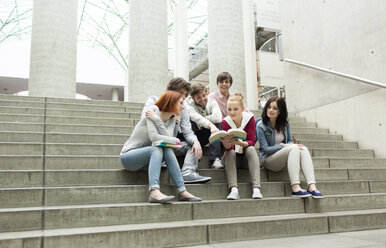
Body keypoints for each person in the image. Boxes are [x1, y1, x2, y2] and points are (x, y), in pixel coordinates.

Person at [120, 90, 201, 203]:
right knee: (157, 148)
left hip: (148, 161)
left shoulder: (171, 119)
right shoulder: (152, 112)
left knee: (166, 148)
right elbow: (155, 138)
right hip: (129, 157)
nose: (183, 107)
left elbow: (168, 139)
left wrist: (158, 121)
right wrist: (158, 120)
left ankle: (182, 190)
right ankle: (154, 191)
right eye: (181, 103)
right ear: (171, 102)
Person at [142, 78, 211, 184]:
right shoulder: (153, 101)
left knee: (191, 144)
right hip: (152, 144)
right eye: (181, 93)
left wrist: (196, 142)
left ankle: (187, 173)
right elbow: (147, 121)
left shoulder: (182, 109)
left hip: (169, 145)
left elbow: (187, 131)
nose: (183, 97)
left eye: (185, 95)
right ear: (171, 90)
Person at [256, 97, 324, 198]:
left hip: (282, 157)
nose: (270, 110)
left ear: (280, 111)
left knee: (303, 148)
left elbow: (290, 141)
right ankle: (295, 188)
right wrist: (284, 146)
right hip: (268, 160)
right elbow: (265, 149)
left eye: (274, 108)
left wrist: (289, 147)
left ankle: (312, 186)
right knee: (294, 147)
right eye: (269, 107)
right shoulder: (261, 126)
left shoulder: (284, 122)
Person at [220, 93, 263, 200]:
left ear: (242, 108)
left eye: (235, 109)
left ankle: (256, 188)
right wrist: (226, 143)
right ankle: (234, 189)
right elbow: (228, 149)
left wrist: (240, 143)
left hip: (246, 158)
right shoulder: (225, 122)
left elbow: (251, 141)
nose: (232, 112)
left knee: (251, 149)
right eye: (229, 109)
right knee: (230, 152)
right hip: (232, 159)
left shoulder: (250, 118)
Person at [186, 83, 224, 169]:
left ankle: (215, 159)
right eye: (198, 97)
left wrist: (204, 119)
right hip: (196, 135)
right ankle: (194, 158)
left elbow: (218, 118)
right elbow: (195, 118)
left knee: (217, 124)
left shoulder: (212, 101)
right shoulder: (188, 105)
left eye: (204, 95)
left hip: (208, 134)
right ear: (193, 98)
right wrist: (207, 122)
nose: (202, 99)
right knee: (192, 121)